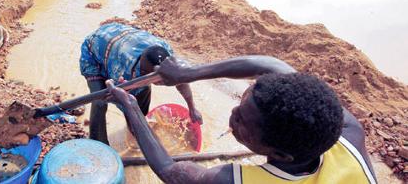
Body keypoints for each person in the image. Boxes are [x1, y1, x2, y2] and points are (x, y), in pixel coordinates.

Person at [106, 55, 378, 184]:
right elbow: (270, 66)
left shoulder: (234, 181)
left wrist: (131, 107)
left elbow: (170, 171)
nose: (233, 115)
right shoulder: (348, 133)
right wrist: (186, 74)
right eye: (240, 105)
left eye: (243, 123)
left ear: (281, 154)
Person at [80, 23, 202, 145]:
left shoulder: (169, 59)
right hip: (95, 49)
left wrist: (192, 108)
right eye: (141, 70)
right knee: (100, 100)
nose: (142, 73)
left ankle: (137, 127)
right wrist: (135, 126)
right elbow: (124, 101)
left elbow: (180, 81)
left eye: (146, 73)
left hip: (120, 36)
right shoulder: (123, 70)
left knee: (142, 91)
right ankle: (98, 144)